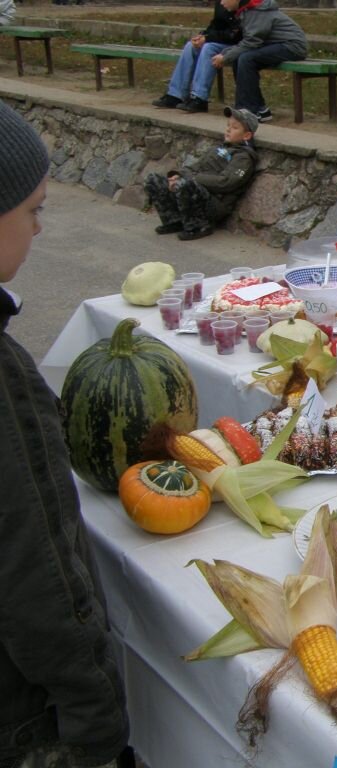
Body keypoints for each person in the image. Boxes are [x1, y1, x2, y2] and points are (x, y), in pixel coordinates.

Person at [0, 102, 129, 768]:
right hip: (26, 719)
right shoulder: (6, 383)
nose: (40, 227)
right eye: (33, 210)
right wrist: (96, 718)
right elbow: (36, 567)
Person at [143, 106, 259, 241]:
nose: (228, 129)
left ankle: (199, 226)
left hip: (215, 202)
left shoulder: (243, 157)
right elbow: (196, 166)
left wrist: (191, 179)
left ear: (246, 136)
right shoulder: (219, 148)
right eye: (228, 125)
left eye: (234, 128)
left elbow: (225, 182)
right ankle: (174, 220)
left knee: (185, 184)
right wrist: (178, 175)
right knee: (153, 180)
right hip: (195, 189)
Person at [212, 0, 308, 124]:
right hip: (276, 44)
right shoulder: (248, 10)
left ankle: (248, 110)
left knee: (247, 59)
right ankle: (259, 109)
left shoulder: (257, 10)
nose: (221, 3)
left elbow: (252, 42)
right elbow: (248, 41)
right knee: (239, 58)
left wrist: (225, 57)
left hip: (292, 46)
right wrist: (225, 54)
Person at [151, 2, 242, 113]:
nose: (222, 2)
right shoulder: (221, 3)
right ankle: (175, 95)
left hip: (238, 45)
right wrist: (203, 35)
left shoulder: (241, 4)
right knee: (191, 46)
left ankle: (200, 98)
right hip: (221, 41)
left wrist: (208, 38)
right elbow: (216, 24)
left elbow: (236, 35)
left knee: (208, 48)